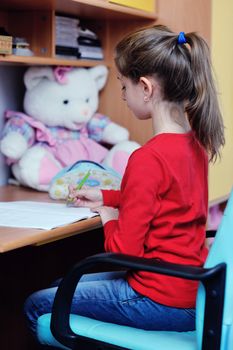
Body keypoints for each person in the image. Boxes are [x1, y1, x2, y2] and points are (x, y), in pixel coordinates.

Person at [24, 25, 225, 337]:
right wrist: (106, 196)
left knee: (38, 304)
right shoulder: (194, 145)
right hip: (190, 291)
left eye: (123, 86)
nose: (122, 96)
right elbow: (166, 200)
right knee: (59, 287)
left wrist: (108, 217)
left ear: (145, 88)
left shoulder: (147, 158)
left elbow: (124, 251)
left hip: (156, 299)